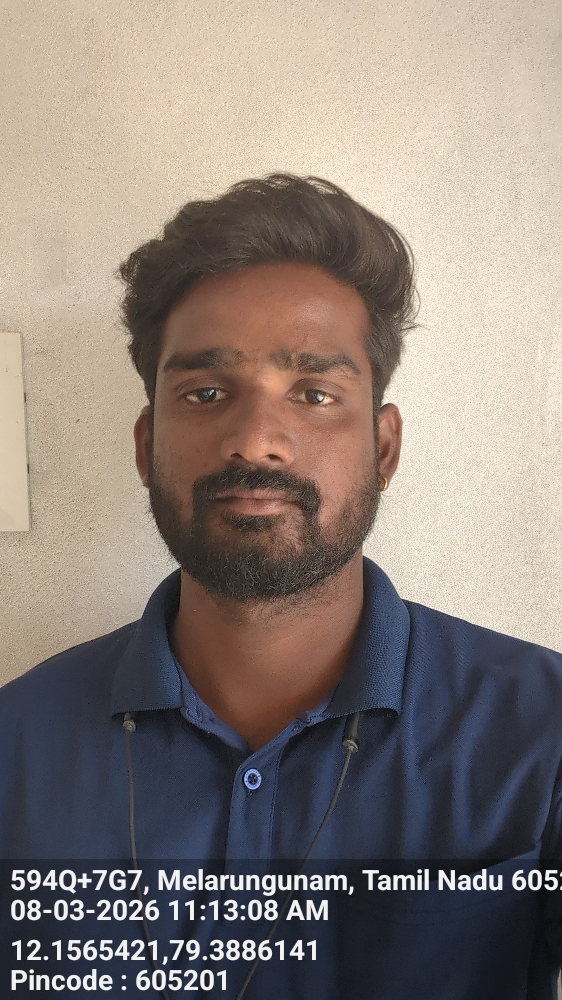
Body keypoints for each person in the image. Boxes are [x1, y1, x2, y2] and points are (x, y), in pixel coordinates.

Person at [1, 173, 562, 1000]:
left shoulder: (540, 731)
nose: (257, 438)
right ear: (147, 445)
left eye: (314, 393)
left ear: (383, 447)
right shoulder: (16, 743)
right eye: (205, 392)